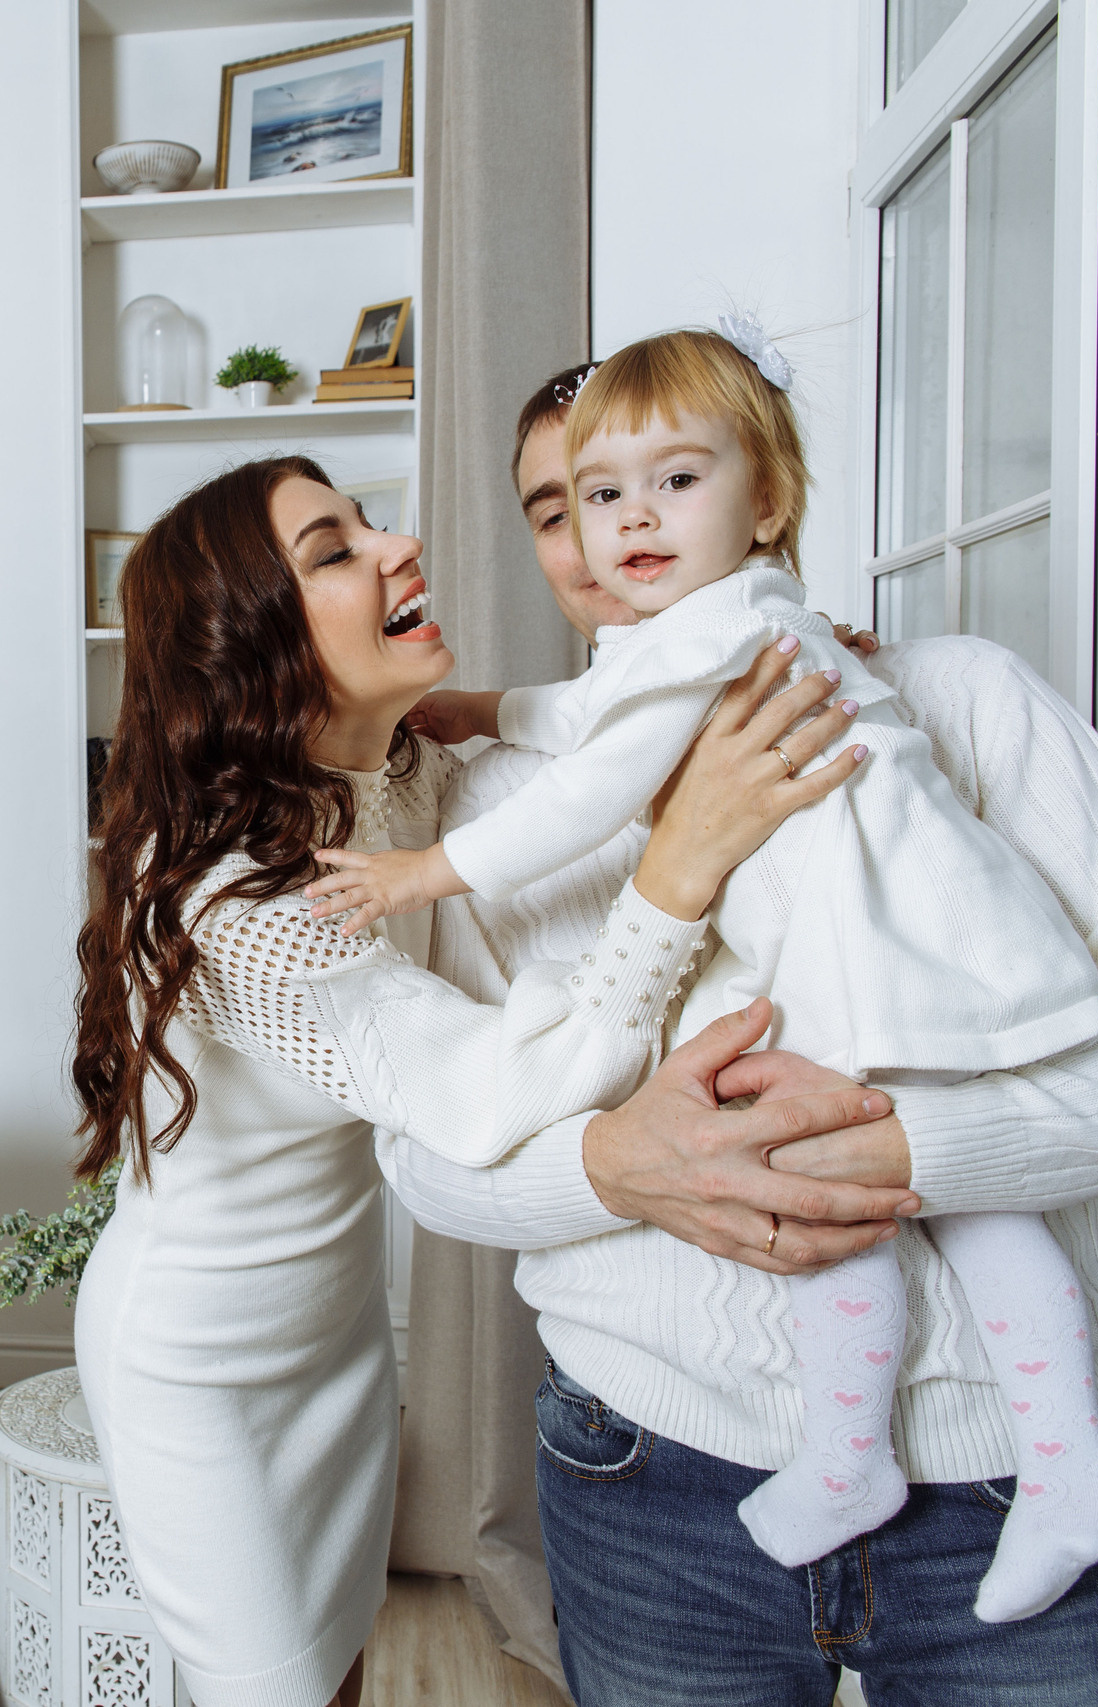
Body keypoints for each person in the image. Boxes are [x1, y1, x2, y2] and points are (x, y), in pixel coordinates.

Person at [368, 359, 1098, 1703]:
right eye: (562, 505)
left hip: (1004, 1466)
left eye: (669, 481)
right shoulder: (490, 796)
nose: (615, 531)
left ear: (759, 495)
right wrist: (621, 1166)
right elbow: (430, 1159)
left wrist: (903, 1144)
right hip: (654, 1480)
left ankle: (1056, 1467)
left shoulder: (953, 697)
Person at [67, 455, 905, 1707]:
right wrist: (681, 863)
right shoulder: (241, 901)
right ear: (251, 637)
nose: (398, 545)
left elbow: (598, 757)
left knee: (335, 1664)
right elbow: (488, 1092)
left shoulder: (400, 777)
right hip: (197, 1362)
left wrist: (764, 653)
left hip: (336, 1333)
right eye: (334, 551)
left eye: (365, 522)